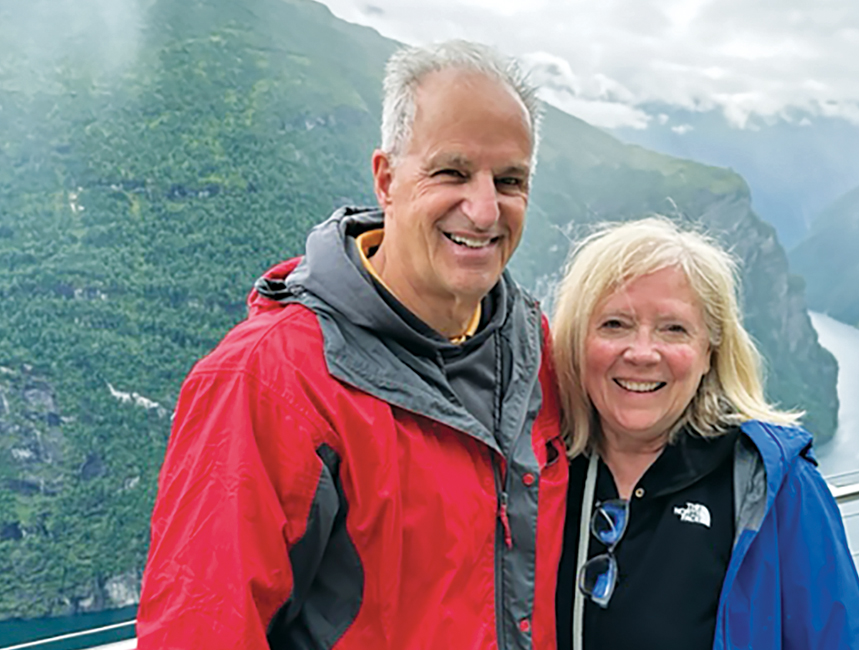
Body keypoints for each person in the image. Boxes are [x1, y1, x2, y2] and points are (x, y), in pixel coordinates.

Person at [137, 40, 568, 650]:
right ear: (387, 180)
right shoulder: (267, 380)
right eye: (451, 172)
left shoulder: (530, 349)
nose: (483, 208)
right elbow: (201, 629)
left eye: (509, 180)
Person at [552, 217, 859, 649]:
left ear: (710, 352)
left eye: (674, 329)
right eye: (615, 324)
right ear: (577, 341)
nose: (643, 353)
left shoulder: (773, 488)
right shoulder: (538, 472)